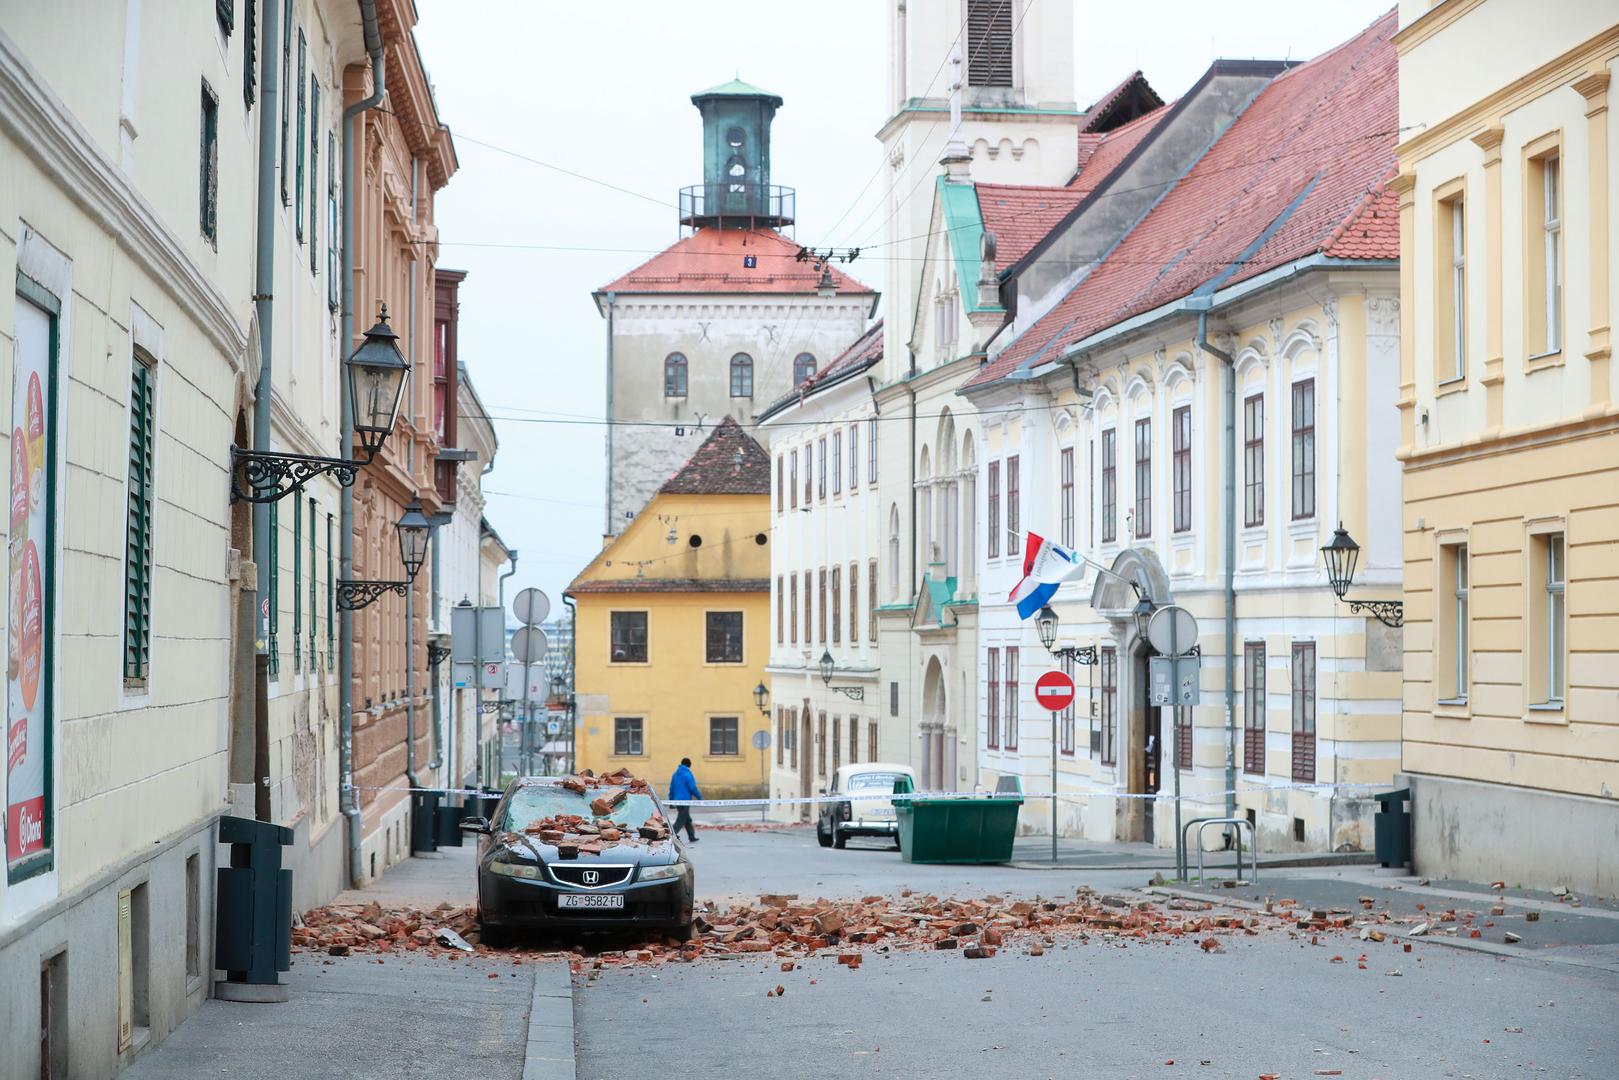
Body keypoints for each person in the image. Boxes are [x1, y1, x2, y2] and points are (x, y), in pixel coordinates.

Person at [668, 757, 701, 843]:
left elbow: (671, 788)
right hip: (685, 800)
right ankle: (671, 835)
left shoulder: (675, 774)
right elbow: (692, 787)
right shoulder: (688, 774)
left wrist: (671, 800)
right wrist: (699, 797)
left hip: (677, 801)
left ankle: (691, 836)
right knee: (681, 820)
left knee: (687, 819)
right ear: (689, 765)